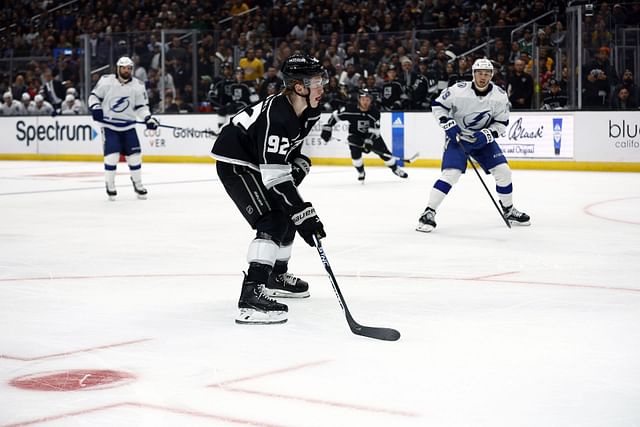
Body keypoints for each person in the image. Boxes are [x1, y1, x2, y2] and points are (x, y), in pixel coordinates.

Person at [211, 53, 328, 325]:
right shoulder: (276, 116)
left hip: (258, 161)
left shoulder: (311, 110)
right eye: (316, 81)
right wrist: (303, 212)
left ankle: (276, 276)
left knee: (286, 212)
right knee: (273, 219)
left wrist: (298, 162)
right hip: (237, 164)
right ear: (299, 87)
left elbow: (288, 149)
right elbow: (275, 176)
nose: (322, 87)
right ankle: (251, 296)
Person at [417, 58, 530, 232]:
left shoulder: (499, 96)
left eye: (486, 73)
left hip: (482, 140)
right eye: (479, 73)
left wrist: (487, 134)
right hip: (458, 138)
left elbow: (501, 123)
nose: (482, 77)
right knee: (451, 174)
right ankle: (428, 212)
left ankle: (508, 210)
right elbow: (438, 105)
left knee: (503, 171)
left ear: (491, 75)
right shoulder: (458, 90)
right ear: (473, 74)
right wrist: (448, 124)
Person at [88, 56, 159, 201]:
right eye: (123, 68)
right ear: (118, 68)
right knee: (112, 157)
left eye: (129, 68)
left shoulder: (138, 85)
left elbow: (141, 107)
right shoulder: (106, 81)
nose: (126, 71)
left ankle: (138, 184)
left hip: (128, 126)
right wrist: (96, 108)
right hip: (109, 126)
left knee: (134, 157)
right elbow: (94, 97)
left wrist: (148, 118)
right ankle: (110, 184)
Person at [320, 88, 408, 182]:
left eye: (367, 100)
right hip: (355, 136)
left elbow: (375, 130)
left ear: (371, 100)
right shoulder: (350, 108)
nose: (365, 102)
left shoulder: (375, 113)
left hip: (372, 136)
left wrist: (368, 141)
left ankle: (395, 169)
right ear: (359, 99)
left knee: (385, 154)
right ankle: (361, 172)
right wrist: (327, 127)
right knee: (355, 156)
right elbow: (335, 116)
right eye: (363, 99)